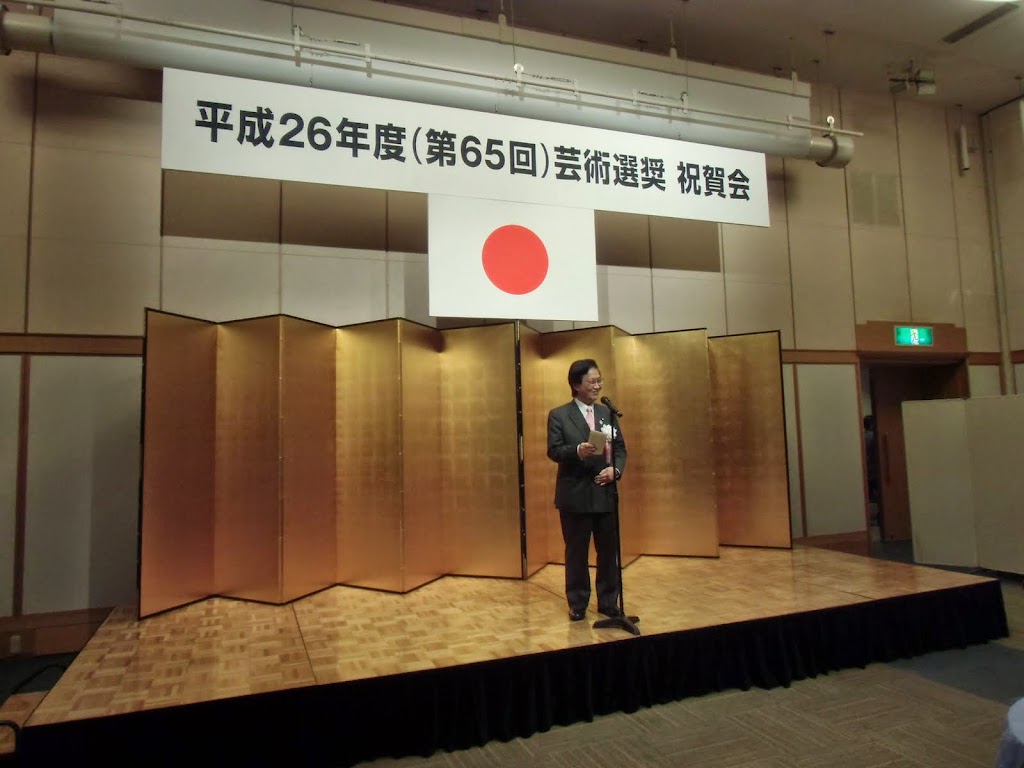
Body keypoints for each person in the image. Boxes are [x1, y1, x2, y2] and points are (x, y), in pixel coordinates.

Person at [546, 359, 627, 622]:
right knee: (577, 553)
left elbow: (620, 449)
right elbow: (554, 450)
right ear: (576, 384)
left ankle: (609, 602)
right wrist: (577, 450)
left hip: (605, 493)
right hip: (575, 495)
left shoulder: (607, 413)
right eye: (592, 381)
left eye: (599, 380)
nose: (597, 385)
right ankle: (578, 602)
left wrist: (615, 470)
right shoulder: (559, 415)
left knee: (609, 552)